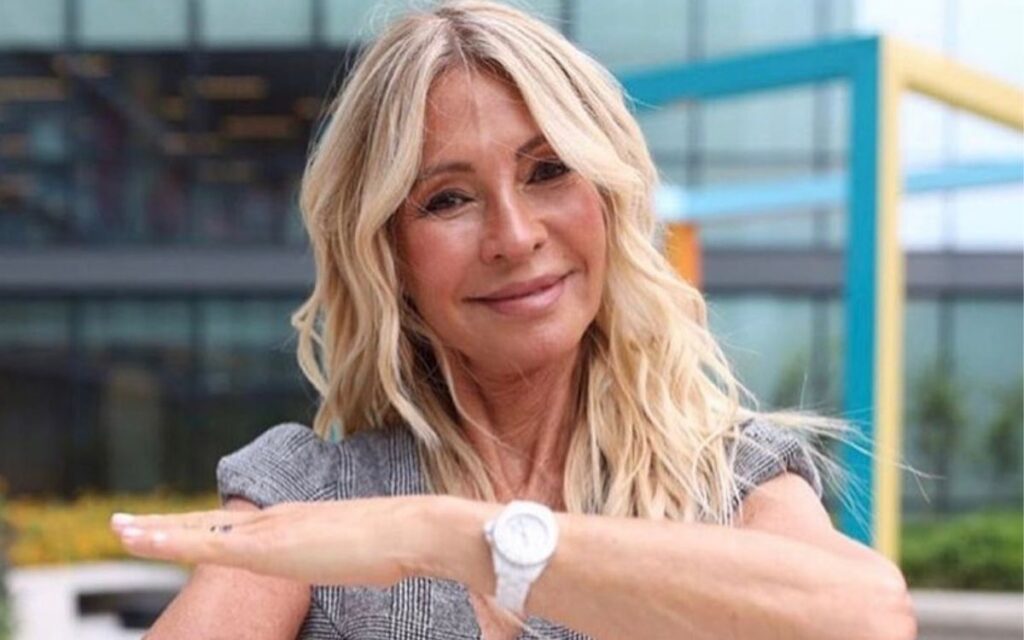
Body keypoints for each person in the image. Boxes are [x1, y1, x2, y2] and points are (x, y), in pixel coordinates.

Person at [110, 2, 916, 638]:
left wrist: (448, 536)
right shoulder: (314, 497)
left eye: (548, 170)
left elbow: (869, 617)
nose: (515, 235)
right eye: (448, 199)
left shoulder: (729, 479)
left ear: (608, 197)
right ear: (390, 254)